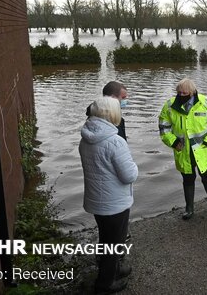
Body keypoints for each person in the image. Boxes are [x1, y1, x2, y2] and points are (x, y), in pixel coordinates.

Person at [80, 97, 138, 294]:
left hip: (97, 200)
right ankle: (105, 283)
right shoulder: (115, 141)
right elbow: (129, 175)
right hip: (115, 203)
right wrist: (134, 165)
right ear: (112, 114)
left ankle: (114, 270)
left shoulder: (86, 138)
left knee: (106, 239)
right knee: (113, 243)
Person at [158, 78, 207, 220]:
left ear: (192, 92)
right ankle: (189, 208)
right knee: (188, 179)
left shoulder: (206, 103)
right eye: (179, 92)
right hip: (183, 151)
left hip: (203, 150)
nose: (181, 95)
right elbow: (164, 127)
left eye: (184, 93)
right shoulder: (170, 105)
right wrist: (174, 142)